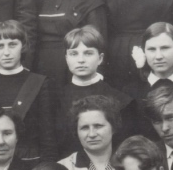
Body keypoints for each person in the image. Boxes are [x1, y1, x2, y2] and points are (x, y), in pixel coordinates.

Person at [0, 20, 58, 163]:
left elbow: (48, 135)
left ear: (23, 46)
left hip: (31, 161)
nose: (6, 52)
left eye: (12, 45)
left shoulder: (40, 82)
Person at [55, 26, 132, 157]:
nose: (81, 60)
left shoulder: (120, 99)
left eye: (88, 53)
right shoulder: (56, 99)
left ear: (100, 58)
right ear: (66, 58)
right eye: (74, 54)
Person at [58, 95, 129, 170]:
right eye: (84, 128)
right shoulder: (61, 169)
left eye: (98, 126)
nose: (91, 134)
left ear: (113, 127)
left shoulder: (131, 163)